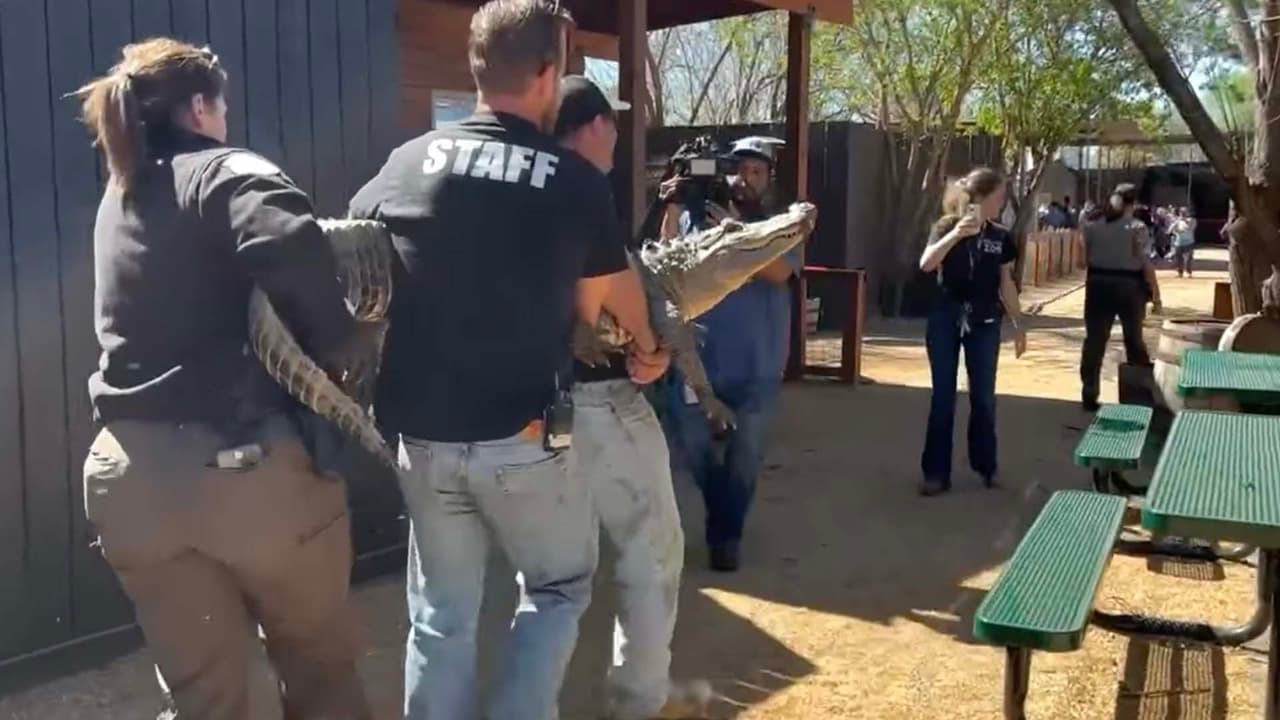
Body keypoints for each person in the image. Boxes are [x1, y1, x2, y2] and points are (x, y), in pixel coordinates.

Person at [347, 3, 658, 718]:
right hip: (521, 437)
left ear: (477, 67)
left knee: (439, 616)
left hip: (420, 439)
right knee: (556, 588)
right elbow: (608, 296)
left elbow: (353, 248)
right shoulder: (572, 179)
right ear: (548, 74)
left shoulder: (405, 163)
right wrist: (647, 348)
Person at [76, 38, 371, 719]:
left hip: (129, 481)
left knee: (206, 699)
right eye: (223, 105)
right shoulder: (225, 171)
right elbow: (286, 237)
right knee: (321, 673)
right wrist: (338, 348)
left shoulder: (120, 196)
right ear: (202, 105)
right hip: (242, 469)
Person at [553, 74, 712, 720]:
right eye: (613, 123)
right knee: (652, 550)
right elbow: (615, 286)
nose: (617, 135)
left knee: (553, 577)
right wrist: (654, 345)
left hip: (532, 406)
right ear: (593, 126)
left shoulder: (518, 186)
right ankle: (640, 701)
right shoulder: (582, 190)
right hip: (601, 399)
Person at [659, 135, 800, 572]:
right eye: (738, 170)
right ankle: (721, 509)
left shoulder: (782, 223)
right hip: (698, 361)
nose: (745, 179)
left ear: (769, 179)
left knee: (745, 454)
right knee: (692, 444)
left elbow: (779, 273)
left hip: (757, 363)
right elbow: (666, 260)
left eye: (756, 172)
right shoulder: (700, 216)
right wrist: (673, 207)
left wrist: (733, 232)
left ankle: (726, 536)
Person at [916, 168, 1027, 497]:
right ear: (979, 197)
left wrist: (1019, 325)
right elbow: (925, 264)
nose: (1002, 202)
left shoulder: (1000, 237)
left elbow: (1006, 283)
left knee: (983, 397)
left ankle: (985, 465)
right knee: (943, 396)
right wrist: (956, 236)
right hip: (945, 317)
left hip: (985, 321)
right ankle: (935, 473)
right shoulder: (946, 226)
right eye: (998, 196)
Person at [1079, 183, 1162, 412]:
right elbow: (1145, 263)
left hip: (1097, 284)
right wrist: (1156, 295)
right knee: (1134, 340)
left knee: (1095, 340)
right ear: (1133, 204)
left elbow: (1084, 259)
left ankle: (1089, 392)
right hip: (1129, 286)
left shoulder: (1092, 226)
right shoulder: (1137, 227)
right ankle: (1137, 395)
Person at [1171, 206, 1197, 277]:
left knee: (1188, 258)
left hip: (1189, 242)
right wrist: (1176, 223)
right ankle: (1180, 272)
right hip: (1178, 242)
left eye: (1184, 212)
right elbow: (1172, 230)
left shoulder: (1192, 220)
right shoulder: (1177, 221)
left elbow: (1190, 228)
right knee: (1178, 258)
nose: (1183, 214)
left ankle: (1188, 272)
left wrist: (1184, 220)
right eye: (1181, 212)